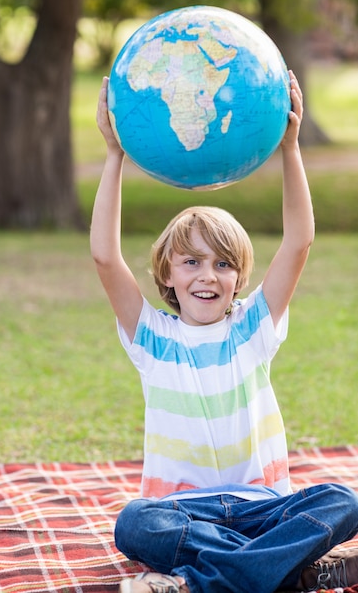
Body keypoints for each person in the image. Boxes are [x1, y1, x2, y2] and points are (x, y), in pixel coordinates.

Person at [90, 72, 358, 593]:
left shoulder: (253, 328)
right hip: (181, 513)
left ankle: (196, 583)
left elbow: (298, 241)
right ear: (167, 274)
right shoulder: (151, 337)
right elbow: (105, 256)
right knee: (134, 523)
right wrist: (113, 156)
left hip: (266, 508)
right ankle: (290, 573)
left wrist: (290, 149)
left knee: (344, 501)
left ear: (240, 277)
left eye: (222, 264)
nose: (207, 276)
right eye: (190, 262)